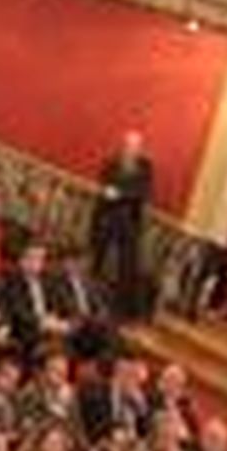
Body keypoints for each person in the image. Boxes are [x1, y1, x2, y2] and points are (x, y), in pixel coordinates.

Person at [92, 127, 154, 321]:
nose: (130, 149)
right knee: (99, 263)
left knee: (126, 268)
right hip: (107, 219)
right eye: (127, 145)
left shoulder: (145, 166)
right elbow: (104, 190)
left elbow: (142, 193)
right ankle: (93, 299)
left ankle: (120, 309)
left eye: (135, 146)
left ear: (140, 148)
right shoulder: (110, 163)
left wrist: (119, 195)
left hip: (130, 223)